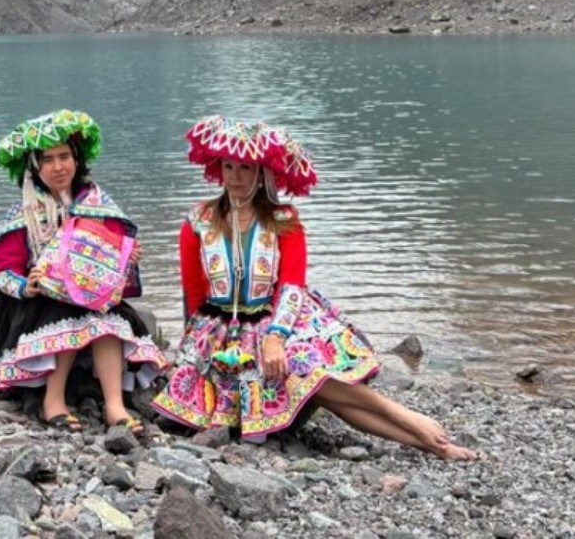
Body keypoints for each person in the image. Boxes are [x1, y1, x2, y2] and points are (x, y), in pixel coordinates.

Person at [151, 116, 475, 460]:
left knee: (309, 373)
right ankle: (423, 435)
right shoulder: (198, 221)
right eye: (228, 166)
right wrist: (190, 349)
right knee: (320, 390)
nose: (235, 177)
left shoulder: (283, 220)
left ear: (263, 172)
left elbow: (292, 285)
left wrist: (275, 337)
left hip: (274, 321)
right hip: (217, 333)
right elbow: (193, 292)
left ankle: (419, 431)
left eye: (245, 167)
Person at [0, 109, 167, 434]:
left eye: (64, 156)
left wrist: (127, 256)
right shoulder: (24, 214)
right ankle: (53, 401)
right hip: (37, 302)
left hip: (89, 294)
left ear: (77, 159)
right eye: (47, 160)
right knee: (65, 316)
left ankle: (114, 405)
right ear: (34, 168)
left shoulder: (96, 203)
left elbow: (114, 251)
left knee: (107, 321)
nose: (58, 166)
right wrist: (26, 285)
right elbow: (2, 271)